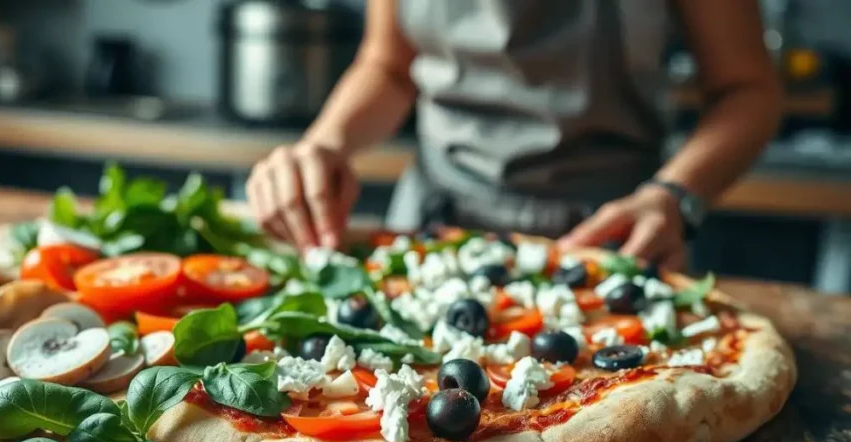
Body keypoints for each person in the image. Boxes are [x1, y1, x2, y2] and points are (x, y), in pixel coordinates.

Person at [245, 0, 782, 270]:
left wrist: (675, 195)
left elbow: (748, 90)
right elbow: (388, 65)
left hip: (608, 238)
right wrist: (326, 143)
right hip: (433, 226)